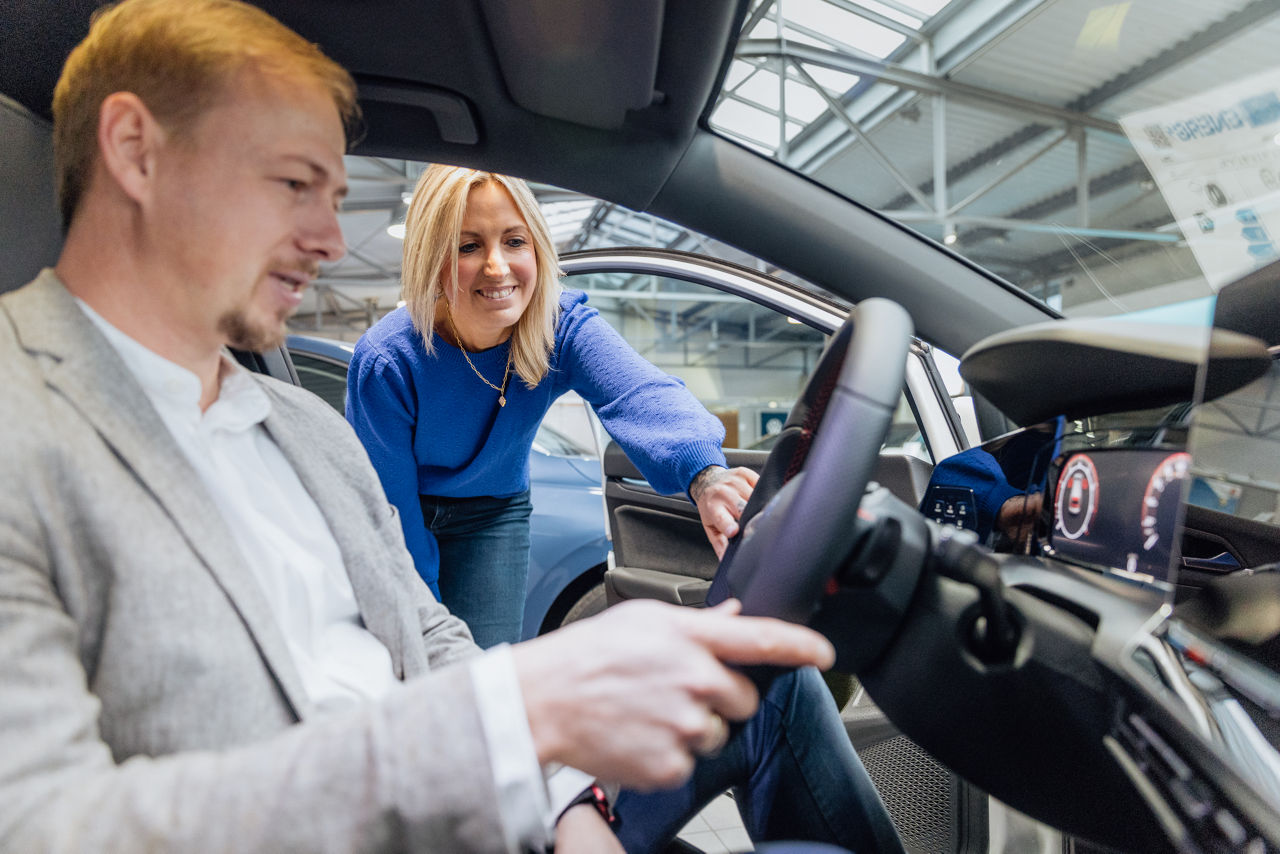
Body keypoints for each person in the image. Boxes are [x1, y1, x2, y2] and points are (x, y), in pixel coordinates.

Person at [0, 2, 905, 852]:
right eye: (292, 183)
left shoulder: (293, 427)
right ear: (135, 150)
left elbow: (427, 632)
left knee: (771, 691)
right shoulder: (25, 426)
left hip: (490, 789)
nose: (327, 237)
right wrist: (513, 714)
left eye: (334, 191)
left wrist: (560, 794)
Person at [347, 167, 757, 646]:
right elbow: (387, 509)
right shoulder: (387, 360)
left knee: (485, 662)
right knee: (417, 653)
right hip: (404, 508)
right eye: (468, 246)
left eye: (515, 241)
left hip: (493, 513)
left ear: (537, 247)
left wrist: (707, 478)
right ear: (431, 258)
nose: (497, 266)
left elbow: (640, 393)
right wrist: (425, 618)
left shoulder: (558, 327)